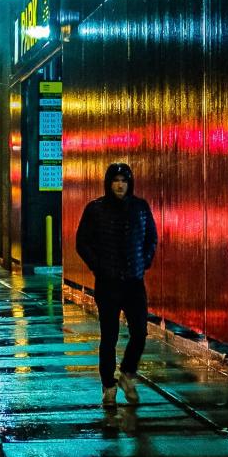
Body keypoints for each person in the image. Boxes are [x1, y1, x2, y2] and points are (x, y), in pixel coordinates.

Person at [75, 162, 159, 407]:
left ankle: (127, 373)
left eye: (124, 180)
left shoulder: (140, 208)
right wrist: (98, 266)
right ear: (108, 183)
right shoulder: (96, 209)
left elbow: (151, 238)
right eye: (116, 180)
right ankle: (108, 386)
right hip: (108, 284)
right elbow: (82, 242)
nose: (120, 185)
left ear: (129, 183)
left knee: (140, 332)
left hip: (134, 282)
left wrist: (144, 261)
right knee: (109, 337)